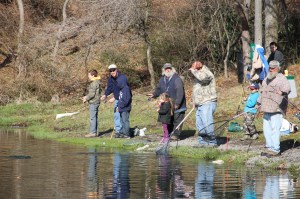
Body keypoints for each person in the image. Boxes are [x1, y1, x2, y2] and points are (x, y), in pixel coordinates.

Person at [258, 60, 291, 158]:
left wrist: (281, 92)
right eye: (270, 68)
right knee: (266, 129)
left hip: (276, 108)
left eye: (273, 68)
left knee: (274, 129)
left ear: (278, 68)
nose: (271, 70)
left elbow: (288, 88)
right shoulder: (266, 79)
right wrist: (258, 102)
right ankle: (269, 147)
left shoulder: (281, 78)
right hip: (266, 108)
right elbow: (262, 91)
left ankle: (275, 150)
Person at [148, 63, 186, 140]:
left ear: (172, 69)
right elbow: (159, 89)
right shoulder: (162, 79)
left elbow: (180, 92)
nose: (168, 70)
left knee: (177, 120)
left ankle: (176, 135)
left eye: (169, 68)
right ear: (163, 70)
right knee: (169, 120)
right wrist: (154, 94)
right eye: (166, 69)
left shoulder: (177, 79)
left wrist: (178, 103)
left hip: (178, 104)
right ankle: (169, 134)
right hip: (168, 105)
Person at [189, 61, 217, 147]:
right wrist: (194, 102)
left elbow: (203, 78)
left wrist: (194, 71)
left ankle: (212, 142)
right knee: (200, 124)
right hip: (199, 103)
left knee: (207, 123)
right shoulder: (197, 75)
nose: (192, 70)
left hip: (207, 102)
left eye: (194, 68)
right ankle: (203, 142)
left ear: (198, 68)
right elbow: (197, 90)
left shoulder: (206, 72)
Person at [100, 64, 129, 138]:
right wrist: (105, 95)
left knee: (123, 117)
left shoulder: (122, 78)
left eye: (113, 70)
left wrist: (114, 97)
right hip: (117, 99)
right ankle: (118, 131)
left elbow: (123, 90)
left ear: (116, 69)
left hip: (123, 99)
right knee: (116, 115)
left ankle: (124, 132)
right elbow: (109, 88)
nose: (112, 72)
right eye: (110, 71)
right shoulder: (110, 79)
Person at [83, 69, 102, 138]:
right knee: (95, 117)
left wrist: (86, 98)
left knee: (92, 118)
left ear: (93, 75)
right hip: (96, 101)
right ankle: (95, 132)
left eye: (89, 75)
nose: (88, 76)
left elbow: (92, 94)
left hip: (94, 102)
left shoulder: (94, 83)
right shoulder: (97, 82)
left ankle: (93, 133)